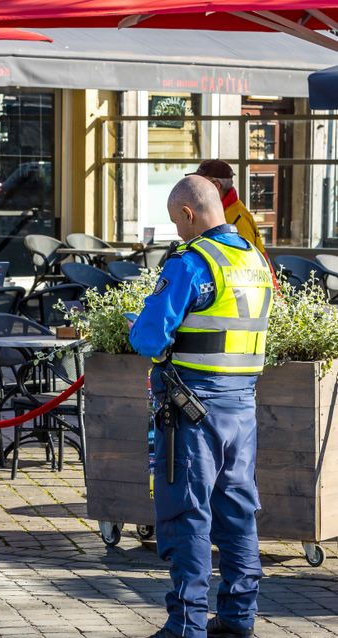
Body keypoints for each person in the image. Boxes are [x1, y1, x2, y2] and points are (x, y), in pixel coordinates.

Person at [129, 176, 273, 638]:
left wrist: (144, 325)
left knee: (187, 512)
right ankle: (237, 618)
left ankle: (186, 625)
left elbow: (149, 337)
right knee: (237, 510)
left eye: (176, 222)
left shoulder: (193, 263)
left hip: (193, 406)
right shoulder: (254, 259)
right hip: (242, 405)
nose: (177, 231)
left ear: (189, 214)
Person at [188, 160, 268, 261]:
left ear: (216, 186)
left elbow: (247, 263)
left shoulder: (238, 218)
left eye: (201, 183)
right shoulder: (220, 212)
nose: (196, 187)